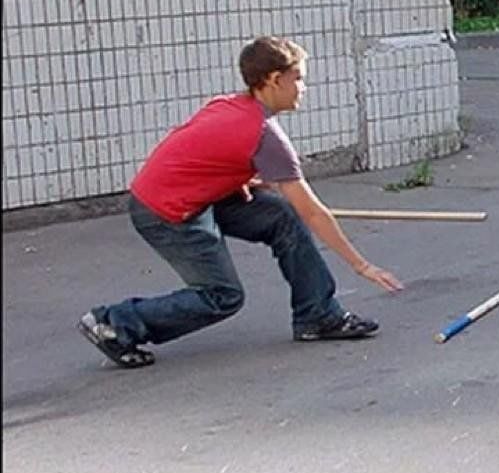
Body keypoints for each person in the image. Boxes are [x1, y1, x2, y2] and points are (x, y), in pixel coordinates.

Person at [79, 37, 403, 369]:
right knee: (222, 295)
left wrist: (235, 180)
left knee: (280, 214)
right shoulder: (265, 135)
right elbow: (313, 212)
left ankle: (318, 315)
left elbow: (201, 154)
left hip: (191, 196)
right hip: (166, 212)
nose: (303, 87)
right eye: (299, 78)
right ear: (275, 80)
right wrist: (361, 265)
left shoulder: (231, 104)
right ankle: (114, 323)